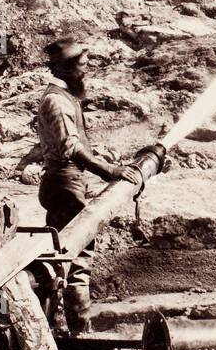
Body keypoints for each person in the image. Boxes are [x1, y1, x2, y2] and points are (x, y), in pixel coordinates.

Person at [36, 38, 142, 333]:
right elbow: (69, 146)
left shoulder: (64, 98)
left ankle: (51, 326)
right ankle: (79, 333)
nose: (86, 72)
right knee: (76, 258)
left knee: (62, 257)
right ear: (67, 70)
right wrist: (109, 170)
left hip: (66, 181)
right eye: (82, 67)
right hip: (65, 183)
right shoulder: (56, 101)